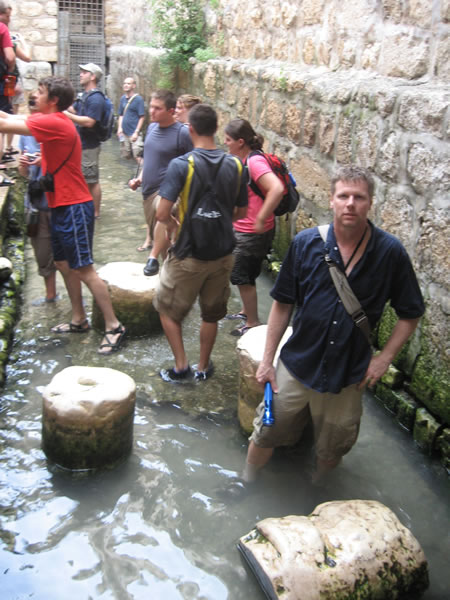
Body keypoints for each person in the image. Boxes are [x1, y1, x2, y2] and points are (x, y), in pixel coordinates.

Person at [241, 165, 425, 485]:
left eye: (359, 197)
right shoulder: (305, 244)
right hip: (299, 362)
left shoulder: (389, 252)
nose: (350, 203)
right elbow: (283, 304)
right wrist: (268, 362)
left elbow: (411, 313)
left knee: (333, 446)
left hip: (348, 372)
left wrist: (384, 359)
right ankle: (246, 481)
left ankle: (317, 490)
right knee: (267, 431)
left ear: (370, 204)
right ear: (332, 200)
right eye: (344, 196)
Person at [0, 76, 126, 355]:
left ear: (54, 100)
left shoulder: (54, 121)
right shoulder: (54, 121)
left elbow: (5, 123)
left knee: (85, 269)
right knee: (64, 264)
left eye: (40, 92)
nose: (35, 95)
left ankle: (114, 325)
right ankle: (79, 319)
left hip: (74, 206)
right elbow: (9, 116)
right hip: (59, 204)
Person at [154, 104, 248, 383]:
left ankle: (181, 366)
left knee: (166, 309)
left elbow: (161, 213)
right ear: (217, 129)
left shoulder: (181, 165)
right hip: (224, 254)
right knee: (211, 314)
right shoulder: (236, 164)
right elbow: (241, 213)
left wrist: (174, 225)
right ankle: (204, 367)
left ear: (190, 129)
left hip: (189, 254)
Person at [224, 118, 284, 336]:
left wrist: (261, 218)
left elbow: (276, 189)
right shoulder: (245, 159)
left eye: (228, 140)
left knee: (242, 276)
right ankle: (245, 311)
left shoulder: (255, 163)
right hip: (247, 229)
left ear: (241, 141)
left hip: (251, 232)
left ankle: (253, 322)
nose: (225, 143)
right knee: (247, 273)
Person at [128, 90, 192, 274]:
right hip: (147, 191)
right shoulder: (152, 128)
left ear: (171, 111)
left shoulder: (183, 133)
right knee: (165, 244)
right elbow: (149, 158)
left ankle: (152, 257)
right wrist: (139, 179)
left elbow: (195, 161)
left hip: (169, 191)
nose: (151, 111)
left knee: (163, 213)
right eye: (151, 106)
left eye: (158, 108)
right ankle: (168, 274)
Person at [18, 90, 58, 304]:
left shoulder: (56, 132)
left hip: (57, 202)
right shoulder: (25, 135)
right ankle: (51, 295)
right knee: (42, 253)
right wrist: (23, 166)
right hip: (35, 203)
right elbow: (24, 175)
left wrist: (44, 160)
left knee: (64, 257)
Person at [65, 63, 105, 218]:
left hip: (90, 145)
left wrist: (68, 116)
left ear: (93, 76)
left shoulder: (96, 98)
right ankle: (86, 208)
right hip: (81, 144)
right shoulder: (84, 95)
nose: (80, 74)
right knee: (84, 178)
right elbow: (76, 110)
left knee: (92, 180)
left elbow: (90, 121)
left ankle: (95, 214)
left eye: (84, 72)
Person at [5, 32, 31, 155]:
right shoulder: (12, 46)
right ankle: (8, 147)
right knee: (11, 112)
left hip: (4, 80)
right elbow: (27, 57)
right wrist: (22, 41)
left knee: (5, 113)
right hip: (11, 80)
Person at [117, 76, 145, 163]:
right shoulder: (122, 99)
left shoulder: (138, 99)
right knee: (126, 155)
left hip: (134, 133)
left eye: (128, 83)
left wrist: (136, 132)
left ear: (134, 86)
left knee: (138, 156)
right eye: (124, 83)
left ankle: (144, 174)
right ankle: (136, 173)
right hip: (124, 133)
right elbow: (121, 115)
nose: (126, 85)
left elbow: (142, 117)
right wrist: (119, 128)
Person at [0, 1, 15, 164]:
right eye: (7, 16)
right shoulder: (2, 28)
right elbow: (10, 57)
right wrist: (9, 71)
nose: (9, 20)